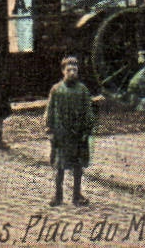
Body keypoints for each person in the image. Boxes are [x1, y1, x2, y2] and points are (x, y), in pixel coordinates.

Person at [44, 56, 94, 207]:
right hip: (61, 134)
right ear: (63, 71)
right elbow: (50, 111)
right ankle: (58, 196)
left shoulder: (83, 90)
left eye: (75, 70)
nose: (72, 72)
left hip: (78, 134)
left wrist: (87, 129)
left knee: (77, 166)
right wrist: (50, 130)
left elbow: (88, 111)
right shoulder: (57, 90)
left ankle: (77, 195)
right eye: (69, 70)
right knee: (60, 166)